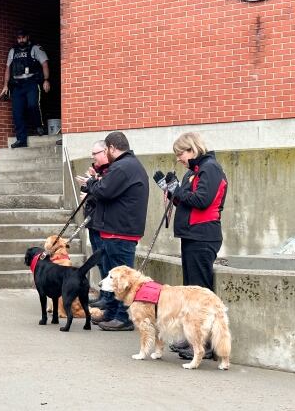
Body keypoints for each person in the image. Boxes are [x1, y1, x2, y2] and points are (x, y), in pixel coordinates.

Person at [157, 132, 228, 359]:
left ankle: (204, 344)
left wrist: (177, 190)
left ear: (192, 149)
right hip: (192, 235)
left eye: (180, 153)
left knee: (199, 292)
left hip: (203, 236)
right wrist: (170, 191)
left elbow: (202, 200)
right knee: (191, 290)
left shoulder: (210, 169)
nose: (178, 158)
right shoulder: (194, 171)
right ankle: (194, 340)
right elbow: (185, 201)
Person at [77, 131, 149, 331]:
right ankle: (111, 312)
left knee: (121, 279)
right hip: (116, 230)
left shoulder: (123, 167)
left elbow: (104, 191)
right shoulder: (126, 165)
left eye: (105, 150)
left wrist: (90, 183)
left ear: (111, 148)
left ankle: (123, 317)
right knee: (112, 276)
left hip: (121, 231)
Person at [0, 28, 50, 148]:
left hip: (31, 83)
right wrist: (5, 85)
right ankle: (21, 139)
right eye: (19, 38)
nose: (21, 40)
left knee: (33, 105)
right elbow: (8, 68)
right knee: (17, 113)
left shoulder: (35, 48)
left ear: (28, 37)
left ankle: (39, 126)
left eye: (23, 37)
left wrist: (46, 80)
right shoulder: (13, 51)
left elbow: (44, 64)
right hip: (17, 86)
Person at [79, 140, 110, 308]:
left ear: (105, 152)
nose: (93, 158)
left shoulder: (110, 171)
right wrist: (88, 184)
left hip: (102, 222)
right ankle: (104, 295)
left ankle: (107, 298)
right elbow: (92, 192)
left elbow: (103, 194)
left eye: (95, 154)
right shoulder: (99, 171)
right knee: (100, 261)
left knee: (104, 260)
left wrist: (93, 183)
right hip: (92, 220)